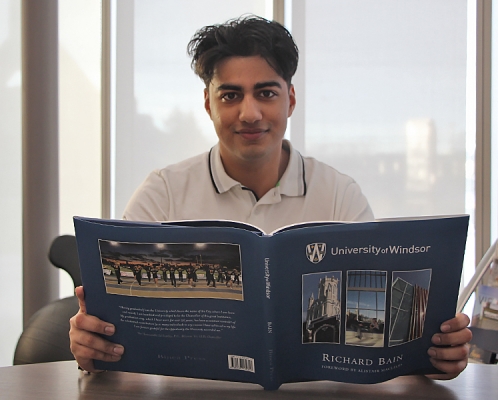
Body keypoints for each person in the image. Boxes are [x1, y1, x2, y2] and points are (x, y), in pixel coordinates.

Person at [69, 15, 471, 380]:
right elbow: (115, 333)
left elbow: (378, 336)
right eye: (230, 96)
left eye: (265, 93)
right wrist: (91, 345)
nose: (249, 113)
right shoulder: (163, 193)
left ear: (290, 100)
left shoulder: (338, 194)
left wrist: (433, 356)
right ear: (208, 104)